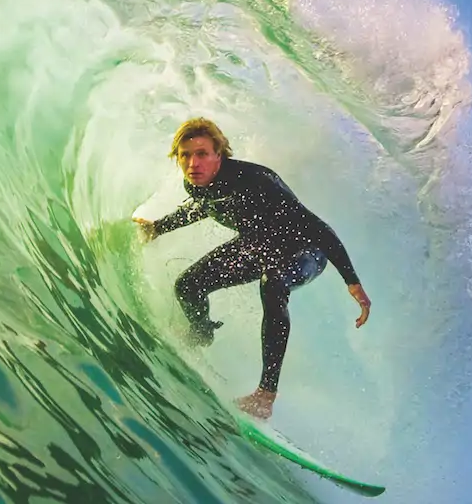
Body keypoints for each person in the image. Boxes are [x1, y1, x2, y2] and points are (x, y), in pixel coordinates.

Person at [134, 117, 371, 419]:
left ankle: (265, 396)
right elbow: (204, 208)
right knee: (188, 286)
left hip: (305, 248)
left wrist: (352, 282)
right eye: (185, 155)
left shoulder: (256, 180)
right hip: (258, 245)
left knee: (273, 283)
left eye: (202, 154)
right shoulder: (198, 182)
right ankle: (201, 332)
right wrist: (158, 228)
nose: (193, 163)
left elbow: (318, 228)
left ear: (219, 155)